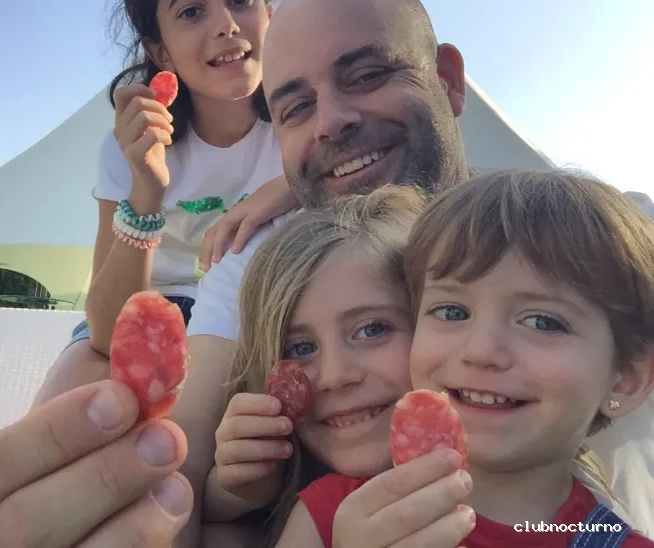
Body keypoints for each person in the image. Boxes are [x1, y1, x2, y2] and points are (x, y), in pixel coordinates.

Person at [0, 0, 649, 548]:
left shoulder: (601, 240)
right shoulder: (261, 262)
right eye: (296, 108)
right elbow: (180, 479)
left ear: (449, 81)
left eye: (366, 74)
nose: (333, 120)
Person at [214, 170, 653, 548]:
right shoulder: (331, 512)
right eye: (452, 312)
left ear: (626, 379)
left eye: (542, 322)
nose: (480, 350)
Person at [68, 0, 297, 365]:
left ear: (269, 15)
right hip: (153, 317)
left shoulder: (305, 123)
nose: (226, 25)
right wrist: (146, 193)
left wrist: (293, 184)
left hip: (267, 315)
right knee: (80, 383)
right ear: (161, 54)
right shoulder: (131, 145)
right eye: (192, 12)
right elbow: (107, 332)